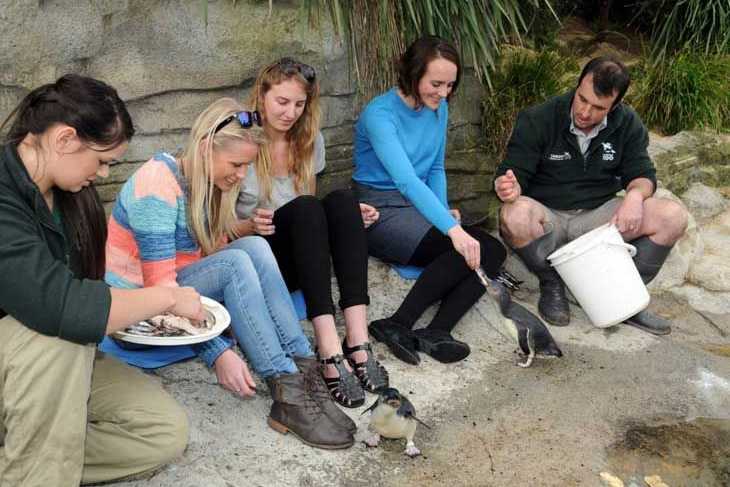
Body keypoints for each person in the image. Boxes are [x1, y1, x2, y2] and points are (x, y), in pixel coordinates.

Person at [105, 97, 354, 449]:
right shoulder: (157, 185)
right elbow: (162, 290)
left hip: (179, 290)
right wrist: (218, 351)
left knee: (253, 247)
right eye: (236, 164)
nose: (240, 175)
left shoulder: (208, 184)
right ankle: (285, 389)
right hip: (137, 307)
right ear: (206, 147)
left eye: (246, 166)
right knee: (235, 263)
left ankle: (303, 370)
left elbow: (210, 253)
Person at [0, 74, 194, 486]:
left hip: (52, 363)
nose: (104, 174)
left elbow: (87, 292)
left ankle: (32, 456)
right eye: (102, 160)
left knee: (163, 431)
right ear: (65, 139)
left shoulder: (71, 194)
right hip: (35, 352)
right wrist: (166, 298)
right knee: (61, 332)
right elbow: (63, 307)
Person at [495, 56, 688, 335]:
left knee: (672, 216)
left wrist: (635, 197)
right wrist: (508, 186)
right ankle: (552, 286)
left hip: (599, 221)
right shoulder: (539, 117)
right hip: (549, 218)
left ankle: (622, 298)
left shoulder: (627, 123)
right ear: (577, 87)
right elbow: (513, 175)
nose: (585, 112)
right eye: (582, 99)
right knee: (514, 213)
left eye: (598, 107)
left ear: (615, 104)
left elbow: (643, 173)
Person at [235, 58, 388, 409]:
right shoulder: (239, 141)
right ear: (261, 96)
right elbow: (213, 229)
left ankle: (358, 340)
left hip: (298, 253)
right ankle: (328, 346)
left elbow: (310, 207)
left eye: (299, 104)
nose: (290, 113)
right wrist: (247, 225)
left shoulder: (310, 140)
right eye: (282, 102)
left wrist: (344, 219)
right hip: (257, 258)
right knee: (307, 208)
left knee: (343, 201)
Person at [352, 36, 508, 366]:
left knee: (492, 250)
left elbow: (435, 167)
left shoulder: (440, 108)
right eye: (436, 83)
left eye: (450, 85)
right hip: (381, 210)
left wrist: (443, 208)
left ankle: (436, 332)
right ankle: (396, 323)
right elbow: (406, 180)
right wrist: (451, 228)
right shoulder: (379, 115)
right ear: (413, 73)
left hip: (417, 204)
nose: (444, 93)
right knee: (461, 245)